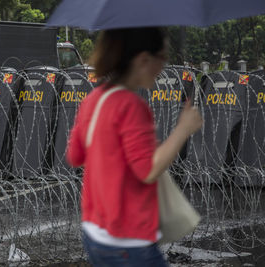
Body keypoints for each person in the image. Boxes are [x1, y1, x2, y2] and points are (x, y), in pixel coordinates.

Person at [66, 27, 203, 266]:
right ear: (143, 59)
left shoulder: (93, 100)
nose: (163, 67)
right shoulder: (132, 107)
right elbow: (147, 170)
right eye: (162, 57)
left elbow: (75, 156)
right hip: (129, 242)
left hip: (94, 233)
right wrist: (183, 129)